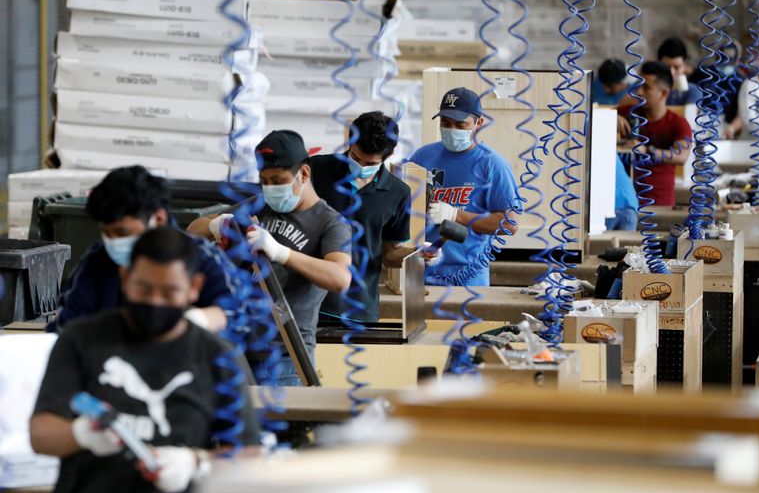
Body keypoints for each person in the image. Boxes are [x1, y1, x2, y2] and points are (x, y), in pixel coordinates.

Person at [30, 227, 260, 493]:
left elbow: (248, 454)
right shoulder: (80, 340)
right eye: (144, 288)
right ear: (126, 278)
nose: (155, 301)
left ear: (194, 288)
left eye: (169, 292)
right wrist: (81, 434)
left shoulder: (218, 358)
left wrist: (197, 463)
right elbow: (41, 435)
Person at [189, 130, 352, 385]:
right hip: (235, 348)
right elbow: (192, 230)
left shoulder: (331, 223)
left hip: (284, 358)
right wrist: (216, 225)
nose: (270, 189)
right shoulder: (258, 205)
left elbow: (340, 278)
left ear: (304, 174)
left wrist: (281, 253)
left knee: (281, 425)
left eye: (278, 180)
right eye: (264, 181)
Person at [47, 166, 232, 334]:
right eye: (106, 233)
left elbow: (238, 316)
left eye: (122, 232)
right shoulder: (99, 260)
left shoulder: (200, 258)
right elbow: (67, 324)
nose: (113, 242)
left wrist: (202, 320)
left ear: (158, 219)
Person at [310, 111, 426, 324]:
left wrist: (416, 255)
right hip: (310, 302)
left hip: (360, 309)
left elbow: (389, 255)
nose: (361, 167)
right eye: (356, 158)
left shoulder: (398, 193)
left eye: (369, 163)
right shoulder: (315, 170)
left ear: (388, 156)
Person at [409, 87, 519, 286]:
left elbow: (509, 224)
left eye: (460, 124)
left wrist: (455, 215)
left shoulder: (492, 165)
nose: (452, 130)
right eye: (445, 123)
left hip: (467, 279)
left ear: (479, 123)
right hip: (421, 275)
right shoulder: (422, 157)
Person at [617, 61, 694, 207]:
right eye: (640, 86)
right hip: (626, 204)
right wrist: (612, 118)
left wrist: (647, 150)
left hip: (660, 204)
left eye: (646, 88)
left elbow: (681, 155)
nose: (639, 92)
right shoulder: (629, 113)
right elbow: (595, 120)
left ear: (663, 93)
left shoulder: (678, 123)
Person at [657, 37, 703, 106]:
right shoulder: (645, 87)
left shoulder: (694, 91)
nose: (671, 73)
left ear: (684, 66)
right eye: (666, 67)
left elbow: (689, 114)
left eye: (677, 67)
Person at [607, 154, 639, 231]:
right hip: (631, 203)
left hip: (611, 205)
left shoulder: (591, 153)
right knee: (626, 242)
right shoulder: (613, 154)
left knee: (599, 242)